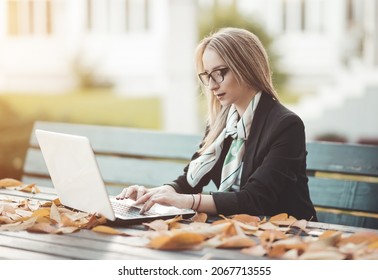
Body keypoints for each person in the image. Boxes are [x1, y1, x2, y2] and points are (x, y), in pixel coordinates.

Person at [117, 27, 317, 221]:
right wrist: (151, 194)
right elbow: (188, 182)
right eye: (207, 76)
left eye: (220, 72)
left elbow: (255, 199)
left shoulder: (286, 126)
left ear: (246, 67)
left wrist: (186, 201)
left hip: (289, 234)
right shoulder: (221, 123)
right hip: (236, 230)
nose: (212, 85)